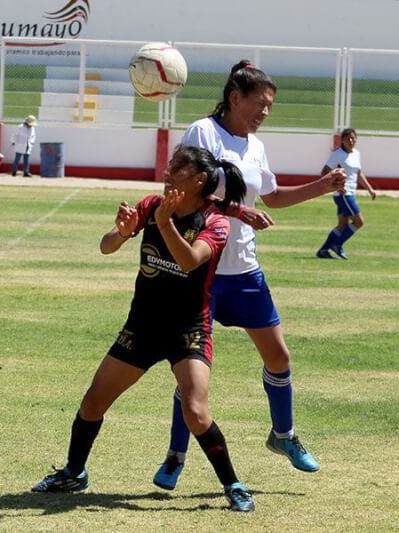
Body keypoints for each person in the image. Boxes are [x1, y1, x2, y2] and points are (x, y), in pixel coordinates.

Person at [152, 60, 346, 492]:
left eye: (269, 107)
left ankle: (283, 436)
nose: (264, 112)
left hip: (244, 269)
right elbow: (186, 195)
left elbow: (272, 196)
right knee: (192, 374)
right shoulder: (203, 133)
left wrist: (323, 186)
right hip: (201, 268)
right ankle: (175, 455)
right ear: (235, 97)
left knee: (278, 357)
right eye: (259, 103)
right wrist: (237, 210)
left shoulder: (255, 145)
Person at [32, 145, 257, 512]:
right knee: (93, 402)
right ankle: (74, 472)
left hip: (188, 329)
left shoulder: (215, 222)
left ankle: (232, 484)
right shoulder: (152, 204)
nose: (167, 174)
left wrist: (166, 223)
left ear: (199, 180)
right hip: (143, 325)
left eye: (176, 170)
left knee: (196, 411)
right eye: (169, 167)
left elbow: (188, 261)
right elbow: (106, 246)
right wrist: (121, 234)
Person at [316, 128, 376, 259]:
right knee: (359, 222)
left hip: (351, 193)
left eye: (353, 138)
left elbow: (359, 173)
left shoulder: (356, 154)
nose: (351, 141)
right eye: (348, 138)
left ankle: (323, 250)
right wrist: (336, 186)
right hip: (343, 194)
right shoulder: (337, 154)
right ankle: (337, 245)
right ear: (342, 140)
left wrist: (370, 189)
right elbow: (324, 172)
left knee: (342, 225)